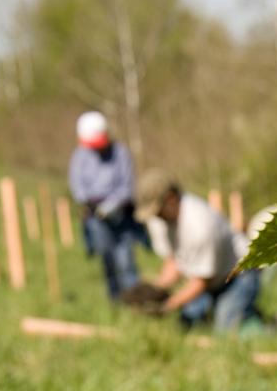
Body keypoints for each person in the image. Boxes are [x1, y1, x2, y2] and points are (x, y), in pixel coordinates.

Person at [135, 170, 262, 331]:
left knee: (225, 329)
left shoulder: (200, 225)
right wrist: (156, 289)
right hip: (210, 279)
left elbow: (202, 280)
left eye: (158, 210)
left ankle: (269, 324)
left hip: (240, 274)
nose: (156, 216)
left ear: (171, 199)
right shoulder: (158, 220)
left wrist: (168, 305)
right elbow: (174, 260)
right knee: (186, 325)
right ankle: (232, 308)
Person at [68, 111, 143, 299]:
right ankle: (115, 300)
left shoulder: (120, 153)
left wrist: (113, 204)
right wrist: (92, 205)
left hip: (122, 213)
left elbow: (127, 185)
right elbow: (77, 186)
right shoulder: (80, 156)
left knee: (125, 259)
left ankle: (135, 299)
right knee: (107, 259)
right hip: (95, 217)